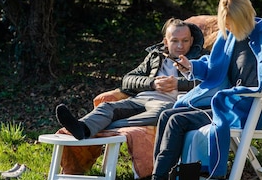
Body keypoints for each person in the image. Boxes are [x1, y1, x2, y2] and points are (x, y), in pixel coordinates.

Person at [121, 0, 262, 180]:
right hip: (225, 105)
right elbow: (213, 67)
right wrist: (191, 66)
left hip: (250, 110)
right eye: (226, 24)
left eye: (232, 24)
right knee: (167, 114)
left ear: (245, 17)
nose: (228, 29)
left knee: (176, 120)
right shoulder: (228, 39)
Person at [55, 18, 204, 140]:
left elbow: (210, 81)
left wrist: (178, 83)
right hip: (141, 98)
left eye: (185, 41)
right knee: (107, 107)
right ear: (166, 41)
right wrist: (152, 83)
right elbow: (128, 79)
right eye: (175, 41)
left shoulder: (200, 59)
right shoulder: (154, 57)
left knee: (164, 113)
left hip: (168, 103)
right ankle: (82, 128)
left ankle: (108, 125)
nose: (180, 46)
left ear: (191, 41)